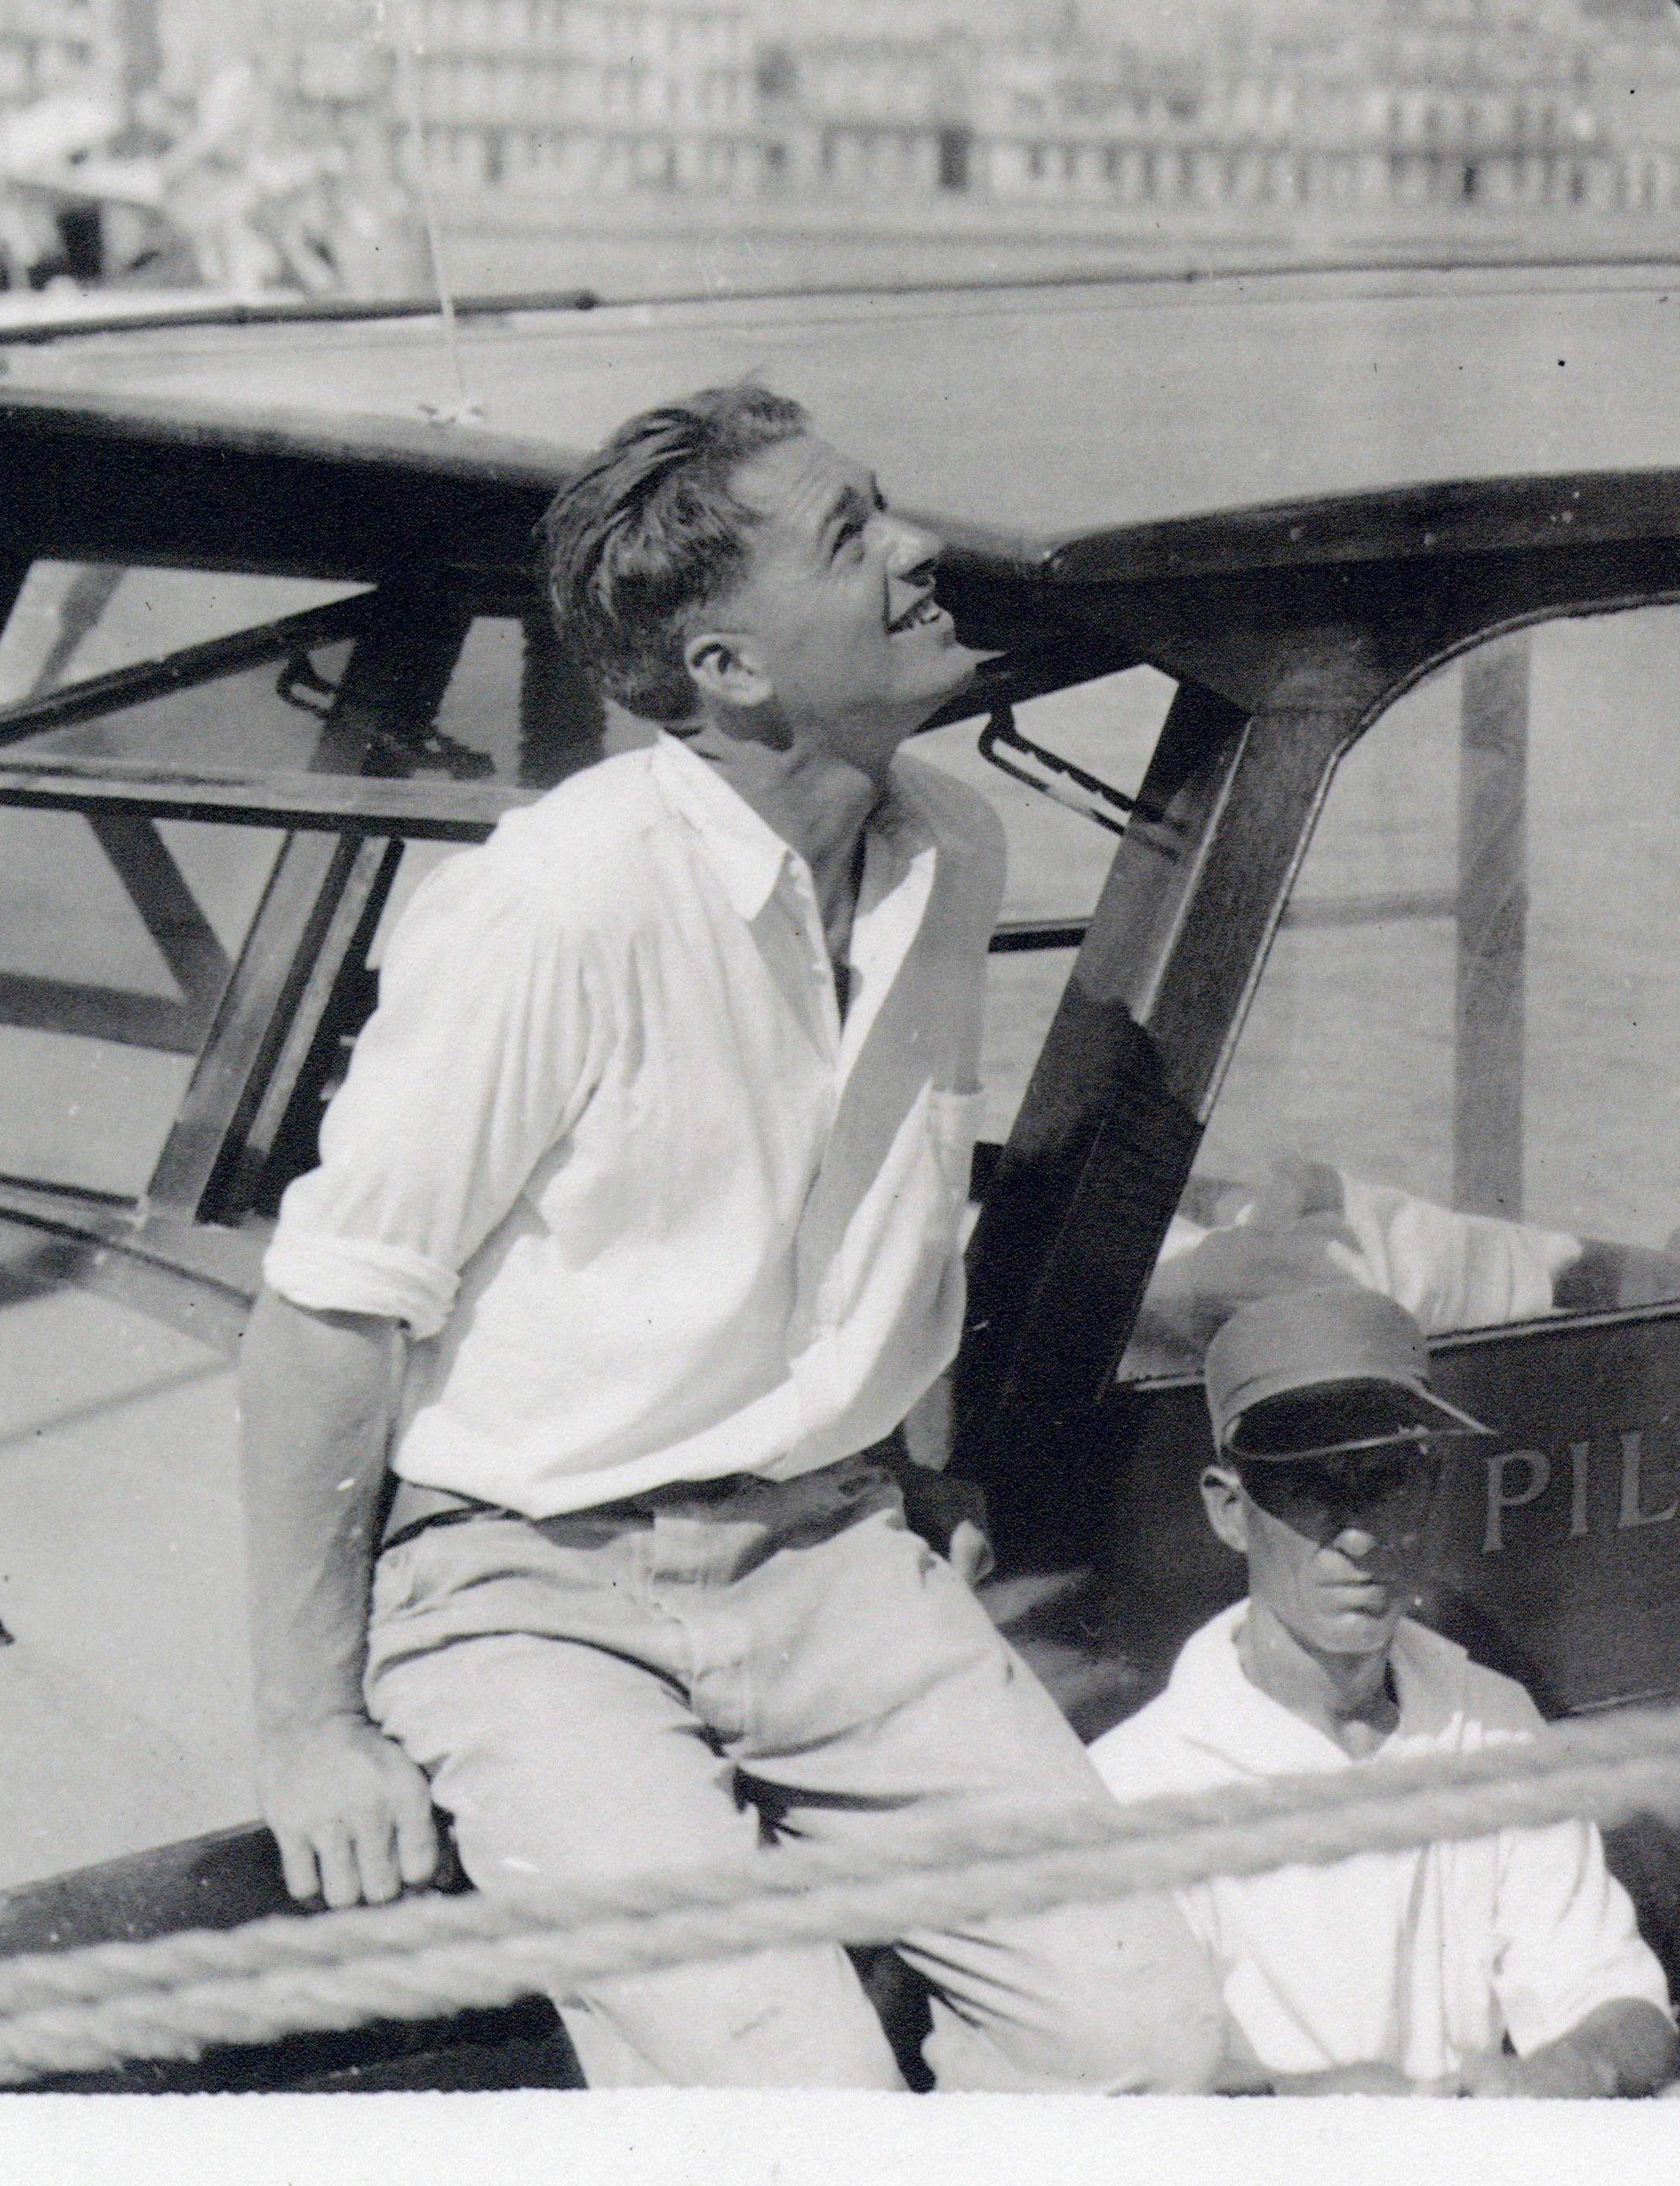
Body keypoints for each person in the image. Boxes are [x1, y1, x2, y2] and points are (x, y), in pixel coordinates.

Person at [236, 380, 1224, 2090]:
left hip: (832, 1559)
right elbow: (329, 1317)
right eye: (853, 533)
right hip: (529, 1594)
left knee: (1152, 2038)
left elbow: (880, 1201)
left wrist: (916, 1465)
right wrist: (312, 1727)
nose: (917, 547)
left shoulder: (950, 853)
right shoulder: (563, 902)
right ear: (727, 667)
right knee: (789, 2090)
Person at [1089, 1286, 1680, 2097]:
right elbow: (1131, 2093)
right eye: (1310, 1487)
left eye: (1386, 1479)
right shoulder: (1132, 1786)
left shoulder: (1491, 1720)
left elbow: (1616, 1999)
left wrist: (1572, 2066)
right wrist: (1310, 2103)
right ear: (1227, 1508)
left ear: (1430, 1489)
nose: (1357, 1534)